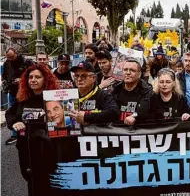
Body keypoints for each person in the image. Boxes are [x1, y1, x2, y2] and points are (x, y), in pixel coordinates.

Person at [5, 64, 59, 194]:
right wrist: (15, 122)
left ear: (45, 79)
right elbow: (10, 113)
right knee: (31, 182)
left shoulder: (55, 99)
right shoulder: (23, 98)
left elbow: (66, 119)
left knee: (49, 184)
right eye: (30, 77)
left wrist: (53, 119)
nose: (33, 80)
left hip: (48, 148)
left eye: (37, 77)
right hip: (26, 148)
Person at [69, 61, 118, 125]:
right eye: (76, 76)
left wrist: (86, 117)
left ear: (94, 78)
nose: (79, 79)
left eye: (84, 76)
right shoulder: (70, 95)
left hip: (95, 134)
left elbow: (114, 113)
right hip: (74, 134)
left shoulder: (103, 95)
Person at [3, 47, 34, 145]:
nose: (10, 59)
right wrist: (6, 82)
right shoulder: (6, 63)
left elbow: (33, 74)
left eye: (11, 57)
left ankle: (29, 131)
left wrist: (21, 80)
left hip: (25, 92)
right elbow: (4, 75)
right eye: (8, 57)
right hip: (13, 92)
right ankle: (15, 133)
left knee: (27, 112)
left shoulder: (26, 62)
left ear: (16, 53)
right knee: (13, 112)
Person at [112, 59, 153, 126]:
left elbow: (146, 109)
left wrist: (135, 116)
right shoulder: (115, 89)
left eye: (132, 70)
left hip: (138, 131)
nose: (128, 73)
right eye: (125, 70)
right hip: (117, 130)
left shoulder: (147, 90)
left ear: (139, 74)